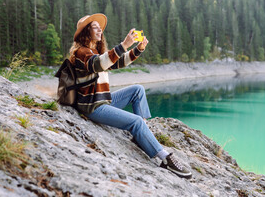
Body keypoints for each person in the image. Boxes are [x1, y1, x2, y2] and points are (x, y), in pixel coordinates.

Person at [68, 13, 192, 179]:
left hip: (103, 101)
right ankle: (164, 158)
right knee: (136, 121)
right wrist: (123, 45)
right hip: (93, 107)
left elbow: (116, 62)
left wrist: (137, 50)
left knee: (137, 90)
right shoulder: (81, 53)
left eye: (100, 27)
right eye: (94, 27)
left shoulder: (94, 51)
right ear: (85, 32)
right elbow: (99, 64)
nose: (99, 30)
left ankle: (141, 135)